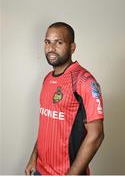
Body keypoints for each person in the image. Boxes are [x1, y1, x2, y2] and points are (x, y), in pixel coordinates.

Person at [25, 22, 104, 175]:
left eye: (58, 42)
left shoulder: (84, 81)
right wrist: (33, 157)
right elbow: (47, 124)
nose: (51, 48)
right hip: (39, 171)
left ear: (72, 47)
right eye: (47, 42)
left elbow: (97, 135)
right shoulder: (47, 79)